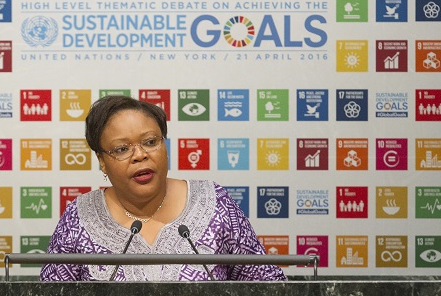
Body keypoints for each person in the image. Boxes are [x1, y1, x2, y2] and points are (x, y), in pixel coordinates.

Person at [40, 95, 286, 281]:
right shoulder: (80, 219)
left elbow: (268, 284)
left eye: (150, 142)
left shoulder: (214, 205)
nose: (140, 155)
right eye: (122, 149)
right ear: (102, 160)